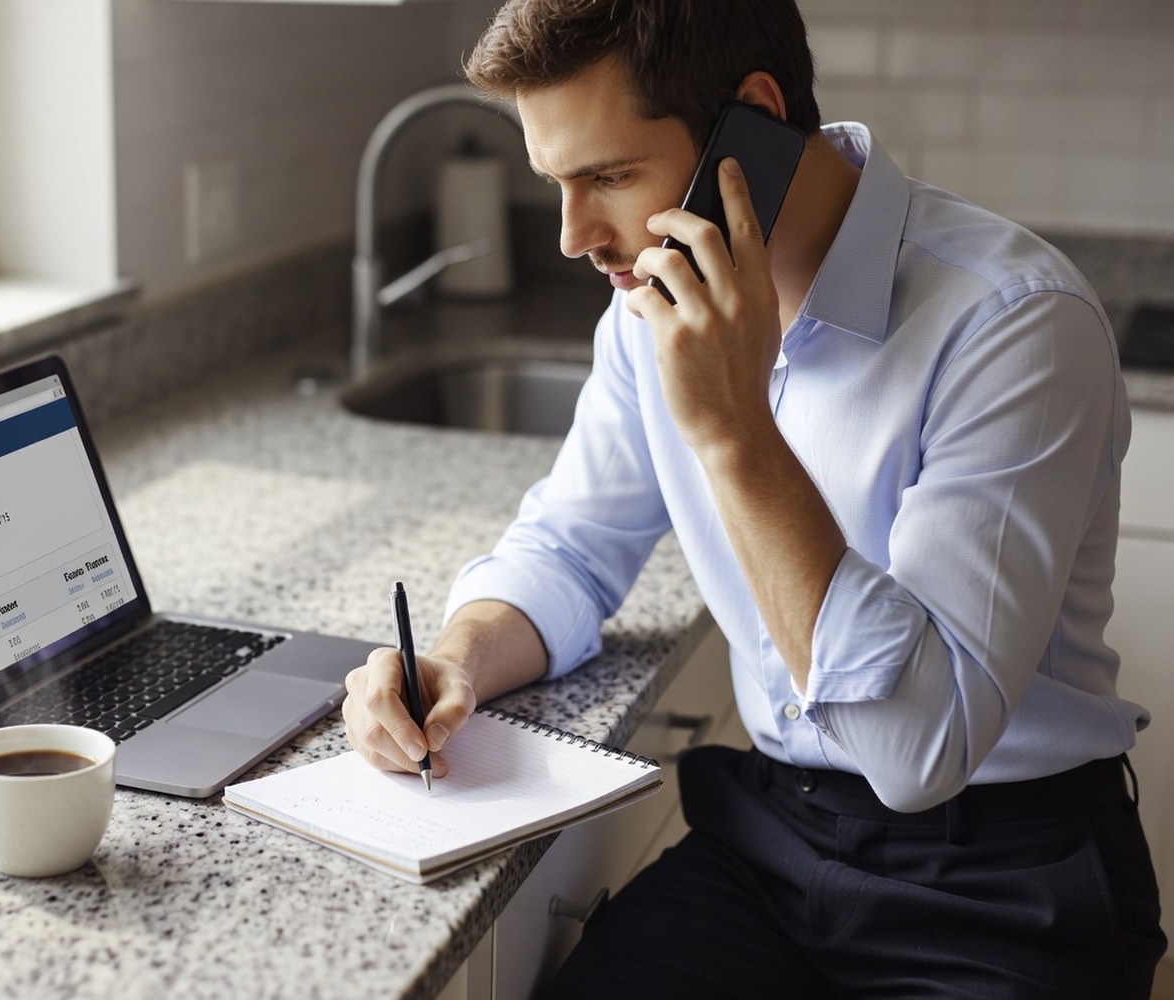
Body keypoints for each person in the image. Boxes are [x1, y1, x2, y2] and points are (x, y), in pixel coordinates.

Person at [341, 0, 1167, 994]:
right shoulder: (647, 308)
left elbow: (921, 749)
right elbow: (570, 543)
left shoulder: (1015, 325)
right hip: (773, 845)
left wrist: (735, 430)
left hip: (1008, 881)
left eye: (606, 176)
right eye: (555, 183)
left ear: (754, 124)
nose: (572, 235)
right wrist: (453, 658)